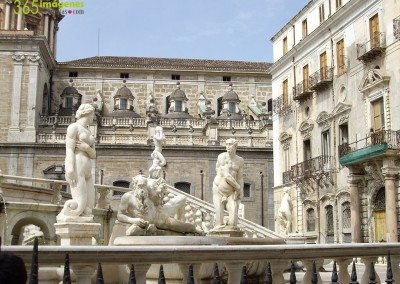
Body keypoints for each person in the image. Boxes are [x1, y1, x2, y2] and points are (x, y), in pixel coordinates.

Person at [117, 175, 202, 235]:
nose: (142, 189)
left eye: (144, 186)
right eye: (140, 186)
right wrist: (132, 220)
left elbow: (159, 197)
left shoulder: (148, 193)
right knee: (183, 226)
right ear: (135, 185)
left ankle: (195, 229)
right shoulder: (127, 197)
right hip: (154, 222)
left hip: (162, 219)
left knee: (186, 227)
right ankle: (195, 229)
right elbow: (119, 215)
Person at [57, 104, 96, 221]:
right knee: (79, 205)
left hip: (88, 169)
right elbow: (69, 149)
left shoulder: (89, 131)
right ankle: (68, 217)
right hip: (78, 164)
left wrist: (86, 148)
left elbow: (94, 155)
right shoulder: (74, 127)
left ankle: (85, 233)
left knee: (89, 208)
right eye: (92, 114)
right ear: (86, 113)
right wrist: (69, 169)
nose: (93, 117)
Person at [212, 138, 244, 230]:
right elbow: (226, 175)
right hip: (219, 188)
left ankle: (232, 238)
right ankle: (218, 232)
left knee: (233, 221)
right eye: (226, 144)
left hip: (232, 191)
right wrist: (238, 187)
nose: (228, 147)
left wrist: (241, 190)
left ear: (235, 146)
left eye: (230, 144)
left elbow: (240, 177)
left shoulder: (240, 160)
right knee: (219, 220)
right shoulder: (222, 157)